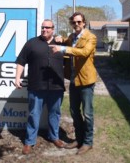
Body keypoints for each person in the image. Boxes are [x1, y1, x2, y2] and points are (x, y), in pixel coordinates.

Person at [15, 19, 66, 155]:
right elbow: (21, 61)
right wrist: (17, 77)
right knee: (33, 114)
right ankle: (29, 141)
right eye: (43, 27)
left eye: (48, 28)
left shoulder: (61, 44)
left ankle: (54, 137)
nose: (45, 30)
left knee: (55, 114)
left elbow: (72, 59)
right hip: (36, 86)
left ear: (53, 29)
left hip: (56, 86)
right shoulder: (32, 43)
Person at [50, 12, 97, 155]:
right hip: (74, 79)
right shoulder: (72, 37)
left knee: (87, 113)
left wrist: (63, 48)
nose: (76, 24)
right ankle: (79, 139)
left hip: (86, 80)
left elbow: (84, 52)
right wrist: (60, 38)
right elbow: (67, 41)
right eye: (74, 22)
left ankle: (88, 142)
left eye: (79, 22)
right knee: (74, 111)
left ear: (83, 22)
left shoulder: (91, 37)